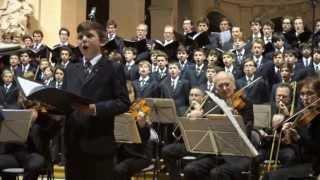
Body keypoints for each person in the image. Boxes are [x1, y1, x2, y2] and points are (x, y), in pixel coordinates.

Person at [62, 21, 130, 180]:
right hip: (72, 145)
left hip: (99, 143)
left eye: (89, 36)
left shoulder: (113, 68)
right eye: (80, 37)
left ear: (102, 40)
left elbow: (123, 102)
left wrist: (96, 108)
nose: (83, 40)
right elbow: (65, 102)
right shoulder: (71, 69)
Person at [183, 71, 254, 180]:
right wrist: (197, 118)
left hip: (237, 155)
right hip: (215, 153)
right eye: (220, 86)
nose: (224, 88)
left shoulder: (245, 104)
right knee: (190, 169)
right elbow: (205, 132)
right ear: (216, 88)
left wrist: (233, 119)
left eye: (227, 84)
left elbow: (247, 132)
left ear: (234, 84)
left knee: (218, 173)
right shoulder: (211, 104)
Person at [263, 77, 320, 180]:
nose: (305, 98)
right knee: (268, 174)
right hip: (299, 160)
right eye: (302, 94)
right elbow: (283, 130)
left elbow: (316, 147)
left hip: (314, 165)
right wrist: (282, 128)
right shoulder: (303, 112)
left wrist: (298, 137)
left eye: (310, 93)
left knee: (272, 176)